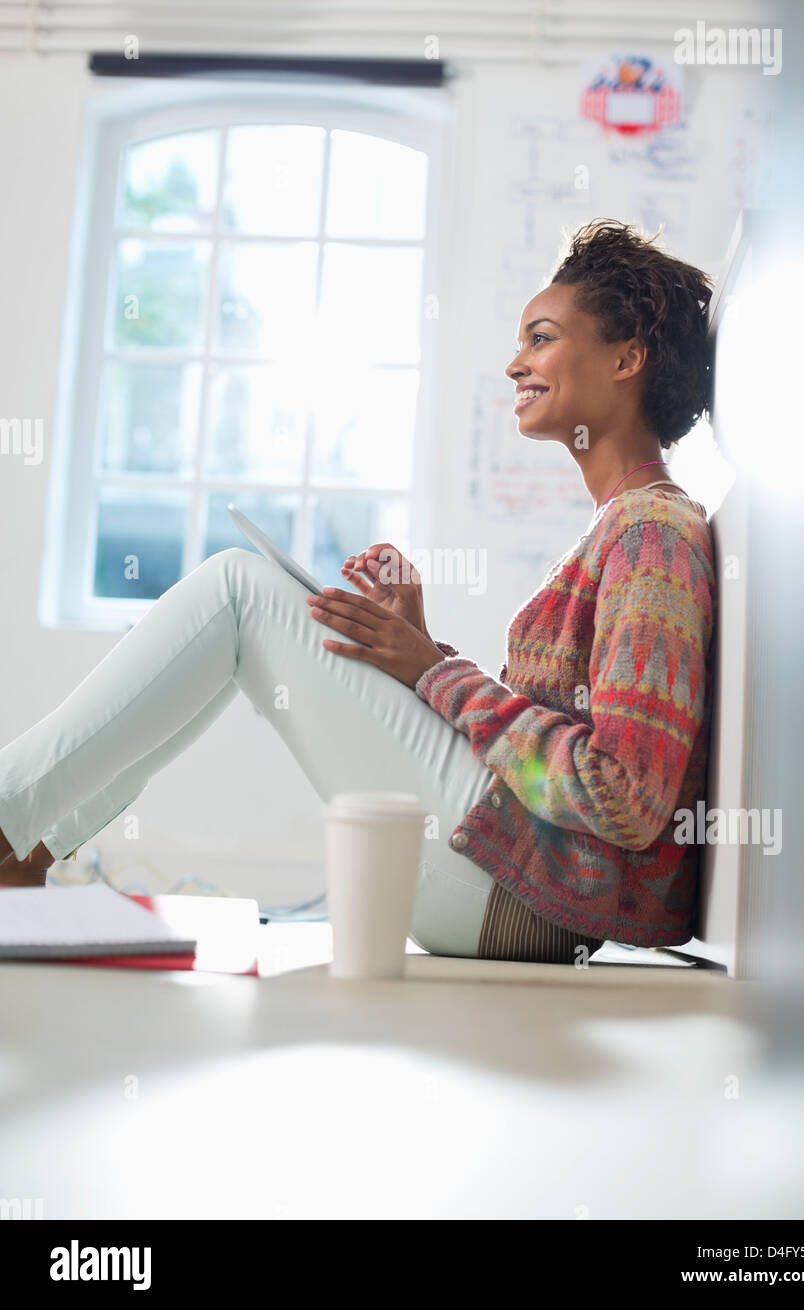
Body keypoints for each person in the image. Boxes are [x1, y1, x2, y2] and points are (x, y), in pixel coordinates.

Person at [0, 219, 716, 965]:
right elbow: (552, 740)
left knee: (240, 593)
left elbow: (624, 798)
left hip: (522, 898)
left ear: (627, 357)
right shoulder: (625, 526)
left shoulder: (652, 535)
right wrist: (420, 648)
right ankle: (26, 850)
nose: (514, 364)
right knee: (243, 613)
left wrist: (431, 673)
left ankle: (10, 833)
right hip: (512, 878)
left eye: (540, 338)